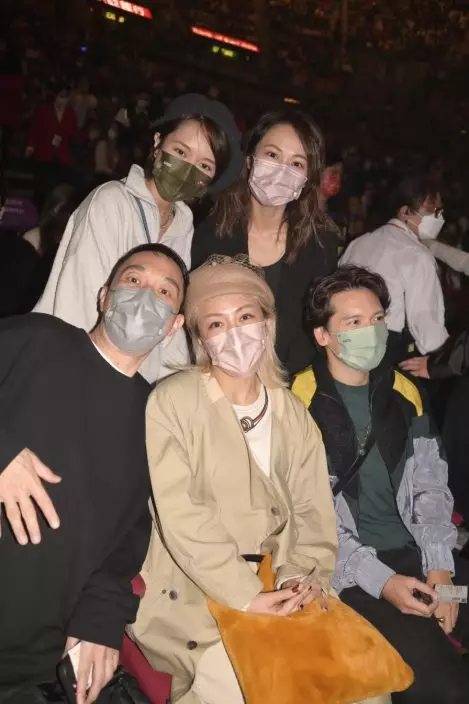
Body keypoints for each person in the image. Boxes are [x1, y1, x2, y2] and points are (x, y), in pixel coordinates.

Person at [129, 256, 338, 704]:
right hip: (194, 592)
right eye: (216, 324)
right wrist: (246, 595)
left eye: (245, 317)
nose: (235, 333)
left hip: (278, 582)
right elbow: (182, 516)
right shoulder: (173, 402)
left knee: (352, 683)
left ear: (267, 322)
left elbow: (313, 509)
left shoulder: (291, 412)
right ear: (201, 339)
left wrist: (300, 578)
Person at [0, 243, 188, 704]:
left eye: (164, 292)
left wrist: (99, 622)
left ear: (174, 325)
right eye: (133, 280)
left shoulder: (155, 419)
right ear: (104, 296)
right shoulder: (37, 339)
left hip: (30, 664)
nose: (145, 296)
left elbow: (127, 543)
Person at [292, 266, 469, 704]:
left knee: (456, 602)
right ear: (323, 335)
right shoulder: (297, 404)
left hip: (420, 557)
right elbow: (312, 521)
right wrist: (385, 582)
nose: (370, 331)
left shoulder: (404, 391)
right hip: (355, 574)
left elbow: (430, 486)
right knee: (443, 688)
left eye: (376, 319)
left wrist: (440, 568)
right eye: (353, 322)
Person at [34, 93, 242, 382]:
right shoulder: (112, 202)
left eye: (204, 166)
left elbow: (170, 319)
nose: (188, 169)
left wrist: (173, 387)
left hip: (134, 379)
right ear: (157, 144)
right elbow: (78, 302)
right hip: (72, 369)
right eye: (180, 152)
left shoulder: (183, 224)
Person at [191, 109, 338, 377]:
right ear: (250, 159)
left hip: (288, 383)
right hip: (218, 377)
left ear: (307, 180)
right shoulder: (211, 232)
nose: (282, 170)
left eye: (296, 164)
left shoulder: (319, 244)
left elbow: (315, 325)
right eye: (272, 155)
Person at [340, 175, 448, 362]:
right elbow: (425, 321)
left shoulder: (358, 243)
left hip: (346, 341)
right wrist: (440, 361)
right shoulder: (416, 255)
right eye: (433, 210)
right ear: (405, 211)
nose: (439, 217)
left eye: (440, 210)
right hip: (388, 350)